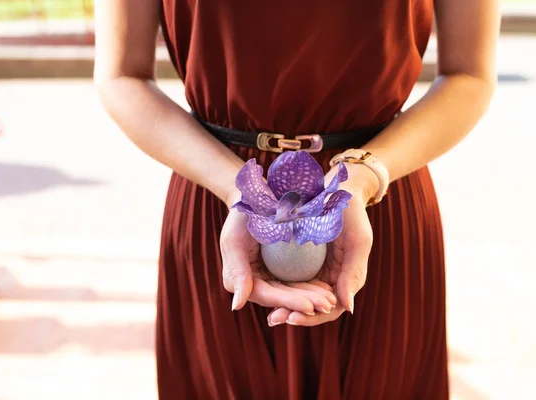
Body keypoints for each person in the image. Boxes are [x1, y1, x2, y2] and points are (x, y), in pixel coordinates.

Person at [94, 0, 499, 398]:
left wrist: (359, 179)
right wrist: (240, 191)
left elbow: (469, 74)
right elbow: (121, 76)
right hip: (220, 206)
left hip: (372, 206)